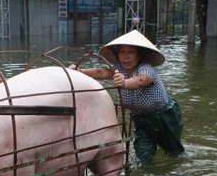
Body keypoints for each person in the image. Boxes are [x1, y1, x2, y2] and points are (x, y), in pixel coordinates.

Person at [69, 29, 184, 163]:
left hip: (164, 117)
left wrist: (124, 82)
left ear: (139, 55)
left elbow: (141, 81)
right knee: (143, 157)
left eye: (131, 52)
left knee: (175, 153)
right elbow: (101, 72)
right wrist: (80, 71)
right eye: (122, 52)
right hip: (141, 120)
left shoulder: (146, 68)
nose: (125, 56)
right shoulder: (119, 70)